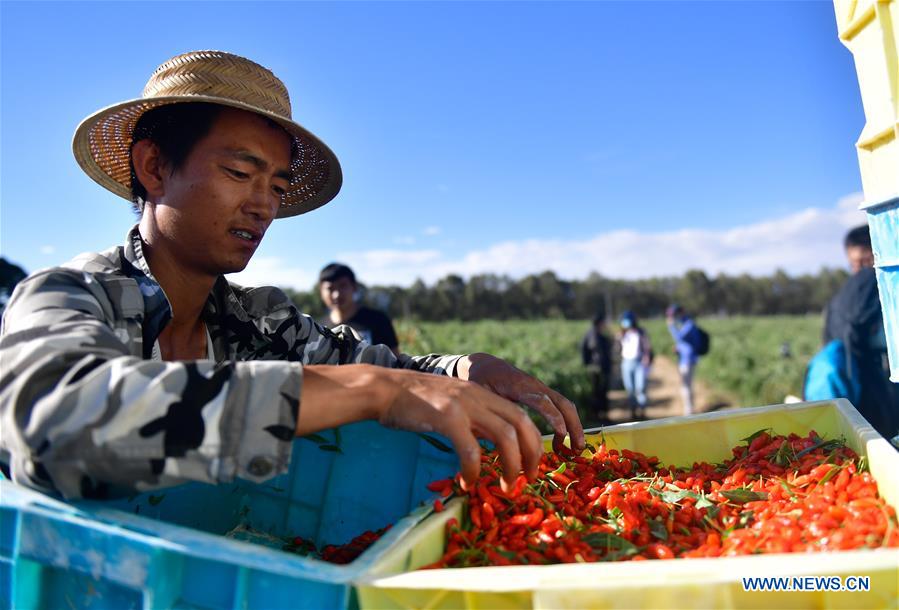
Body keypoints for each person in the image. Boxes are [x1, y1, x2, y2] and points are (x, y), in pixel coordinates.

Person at [0, 50, 584, 500]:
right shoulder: (68, 297)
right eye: (239, 171)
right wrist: (370, 393)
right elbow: (54, 420)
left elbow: (394, 372)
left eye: (277, 187)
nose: (263, 205)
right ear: (153, 167)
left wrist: (469, 368)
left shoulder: (260, 322)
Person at [807, 225, 898, 442]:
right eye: (856, 265)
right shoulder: (843, 301)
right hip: (869, 398)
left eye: (867, 263)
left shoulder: (884, 294)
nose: (863, 272)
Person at [318, 263, 400, 355]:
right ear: (321, 292)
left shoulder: (378, 321)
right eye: (330, 288)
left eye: (343, 286)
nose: (337, 294)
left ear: (354, 287)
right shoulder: (319, 329)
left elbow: (395, 361)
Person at [666, 304, 700, 416]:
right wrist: (678, 348)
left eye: (674, 315)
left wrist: (671, 326)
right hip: (683, 359)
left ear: (681, 312)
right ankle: (689, 409)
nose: (673, 317)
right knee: (686, 385)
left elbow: (679, 337)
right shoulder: (683, 324)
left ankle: (689, 411)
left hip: (688, 360)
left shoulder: (689, 324)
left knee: (686, 385)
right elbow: (684, 342)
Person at [617, 311, 652, 420]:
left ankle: (642, 410)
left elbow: (647, 347)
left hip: (639, 363)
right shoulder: (621, 334)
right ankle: (633, 411)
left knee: (640, 387)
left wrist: (647, 357)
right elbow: (617, 349)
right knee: (630, 389)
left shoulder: (641, 332)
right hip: (626, 363)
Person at [580, 312, 612, 422]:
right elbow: (585, 350)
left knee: (603, 391)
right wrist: (588, 364)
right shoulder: (592, 335)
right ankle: (597, 415)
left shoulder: (600, 334)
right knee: (597, 391)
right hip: (596, 368)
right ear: (599, 323)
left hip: (603, 367)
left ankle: (603, 414)